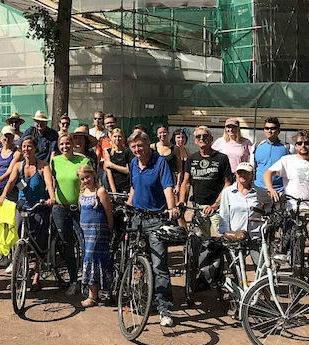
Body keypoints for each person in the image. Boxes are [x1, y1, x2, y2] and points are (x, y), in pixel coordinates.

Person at [264, 130, 309, 289]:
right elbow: (268, 173)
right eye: (299, 143)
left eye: (306, 143)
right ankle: (296, 243)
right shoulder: (287, 160)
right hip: (296, 208)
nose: (303, 146)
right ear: (295, 145)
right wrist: (271, 189)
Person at [126, 129, 179, 327]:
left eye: (140, 145)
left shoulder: (160, 162)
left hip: (156, 218)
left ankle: (164, 308)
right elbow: (133, 189)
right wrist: (128, 207)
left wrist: (171, 208)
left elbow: (167, 187)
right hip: (136, 219)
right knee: (138, 262)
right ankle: (141, 297)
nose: (137, 150)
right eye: (133, 147)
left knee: (159, 265)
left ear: (148, 144)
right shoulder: (133, 163)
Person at [0, 135, 56, 289]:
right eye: (24, 146)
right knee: (17, 238)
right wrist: (3, 195)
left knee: (38, 241)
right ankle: (17, 275)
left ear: (35, 148)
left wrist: (51, 197)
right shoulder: (18, 166)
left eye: (29, 146)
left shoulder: (43, 166)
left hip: (39, 206)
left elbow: (49, 183)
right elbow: (10, 182)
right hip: (22, 206)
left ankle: (36, 275)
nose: (26, 149)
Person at [50, 133, 89, 295]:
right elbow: (52, 183)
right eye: (62, 144)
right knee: (67, 246)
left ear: (73, 144)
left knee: (85, 245)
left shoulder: (83, 161)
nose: (65, 146)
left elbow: (89, 183)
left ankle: (88, 282)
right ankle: (73, 280)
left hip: (79, 209)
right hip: (60, 209)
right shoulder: (55, 161)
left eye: (68, 143)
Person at [178, 126, 232, 236]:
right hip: (198, 207)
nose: (201, 138)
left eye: (205, 136)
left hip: (218, 208)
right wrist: (182, 201)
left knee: (224, 239)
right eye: (198, 136)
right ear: (195, 140)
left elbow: (228, 183)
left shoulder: (222, 158)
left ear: (211, 138)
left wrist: (216, 204)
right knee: (201, 241)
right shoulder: (191, 158)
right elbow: (186, 182)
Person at [218, 162, 271, 265]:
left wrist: (266, 215)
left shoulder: (260, 192)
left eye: (246, 173)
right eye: (240, 173)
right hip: (236, 235)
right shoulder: (228, 192)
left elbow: (270, 203)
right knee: (238, 267)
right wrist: (225, 232)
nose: (243, 175)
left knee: (261, 266)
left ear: (252, 175)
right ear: (236, 175)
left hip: (255, 234)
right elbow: (224, 213)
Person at [77, 163, 113, 308]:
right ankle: (98, 292)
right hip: (85, 231)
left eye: (87, 177)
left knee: (91, 258)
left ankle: (92, 295)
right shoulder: (83, 192)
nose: (86, 181)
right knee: (92, 259)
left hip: (98, 230)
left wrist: (110, 230)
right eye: (82, 179)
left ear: (93, 175)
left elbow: (108, 213)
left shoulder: (101, 191)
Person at [252, 117, 289, 192]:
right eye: (266, 128)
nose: (269, 131)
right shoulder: (257, 146)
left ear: (278, 130)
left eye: (272, 128)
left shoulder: (288, 148)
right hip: (259, 189)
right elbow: (252, 167)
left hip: (279, 191)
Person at [0, 125, 21, 202]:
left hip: (10, 188)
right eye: (5, 136)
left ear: (13, 138)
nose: (7, 139)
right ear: (1, 137)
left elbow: (10, 171)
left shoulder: (17, 153)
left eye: (10, 137)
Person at [102, 128, 132, 193]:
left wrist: (112, 165)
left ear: (123, 138)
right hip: (113, 184)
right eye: (115, 136)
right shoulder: (108, 151)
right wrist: (114, 190)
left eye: (119, 136)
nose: (117, 139)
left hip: (126, 185)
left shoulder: (128, 152)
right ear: (111, 138)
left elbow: (127, 170)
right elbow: (109, 171)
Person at [171, 129, 190, 194]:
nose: (181, 139)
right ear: (174, 138)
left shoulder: (186, 150)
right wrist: (177, 184)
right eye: (178, 137)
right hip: (175, 180)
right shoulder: (172, 150)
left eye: (183, 137)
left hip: (185, 180)